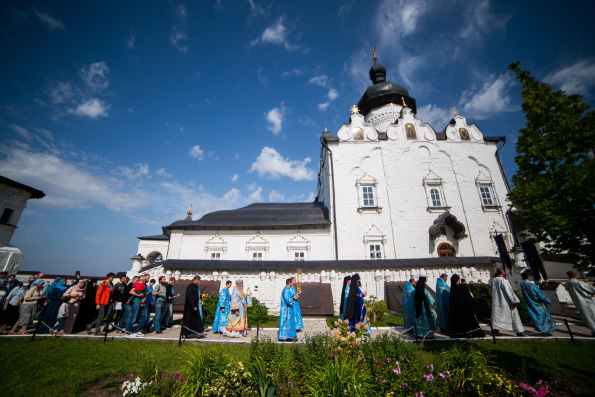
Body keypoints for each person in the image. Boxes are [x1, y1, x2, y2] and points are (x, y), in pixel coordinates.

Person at [520, 270, 557, 336]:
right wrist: (548, 301)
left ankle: (541, 329)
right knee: (543, 317)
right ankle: (546, 331)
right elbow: (540, 294)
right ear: (529, 277)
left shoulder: (522, 285)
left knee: (536, 317)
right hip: (538, 304)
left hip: (530, 303)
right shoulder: (532, 285)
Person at [491, 268, 525, 336]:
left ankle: (496, 329)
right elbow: (509, 291)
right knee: (514, 315)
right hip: (506, 301)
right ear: (502, 272)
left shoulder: (494, 280)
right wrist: (514, 301)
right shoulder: (504, 281)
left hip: (497, 301)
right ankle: (519, 332)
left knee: (498, 315)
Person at [565, 271, 595, 336]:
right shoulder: (578, 282)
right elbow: (592, 290)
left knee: (587, 317)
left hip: (577, 302)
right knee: (592, 315)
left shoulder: (567, 283)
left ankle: (593, 330)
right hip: (587, 301)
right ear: (575, 275)